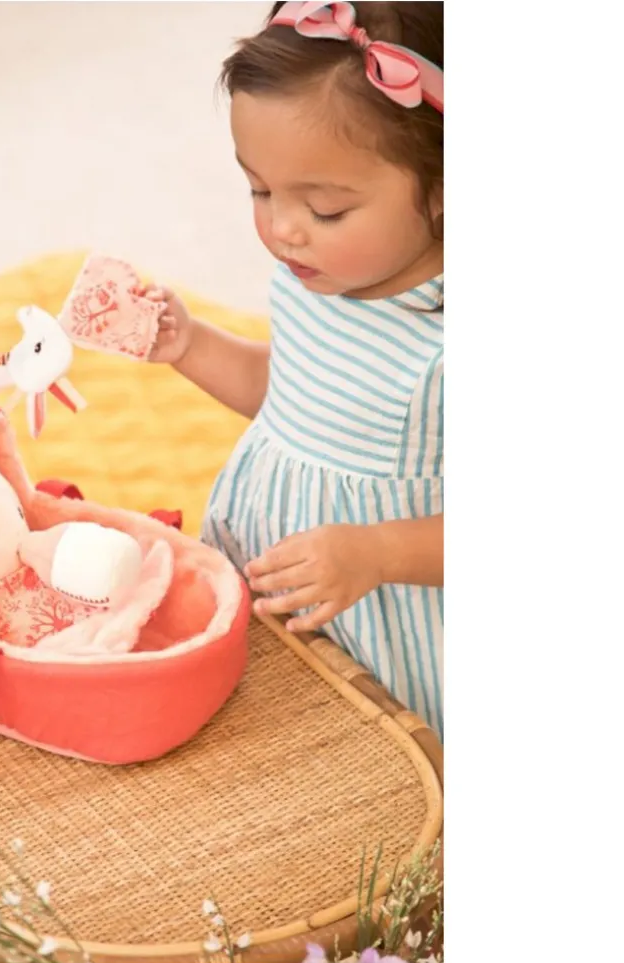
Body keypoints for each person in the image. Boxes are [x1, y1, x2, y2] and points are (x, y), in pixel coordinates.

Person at [142, 2, 444, 737]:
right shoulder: (316, 279)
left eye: (327, 209)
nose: (282, 229)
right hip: (273, 585)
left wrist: (377, 552)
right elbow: (290, 399)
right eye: (260, 190)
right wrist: (191, 345)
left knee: (391, 760)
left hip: (387, 628)